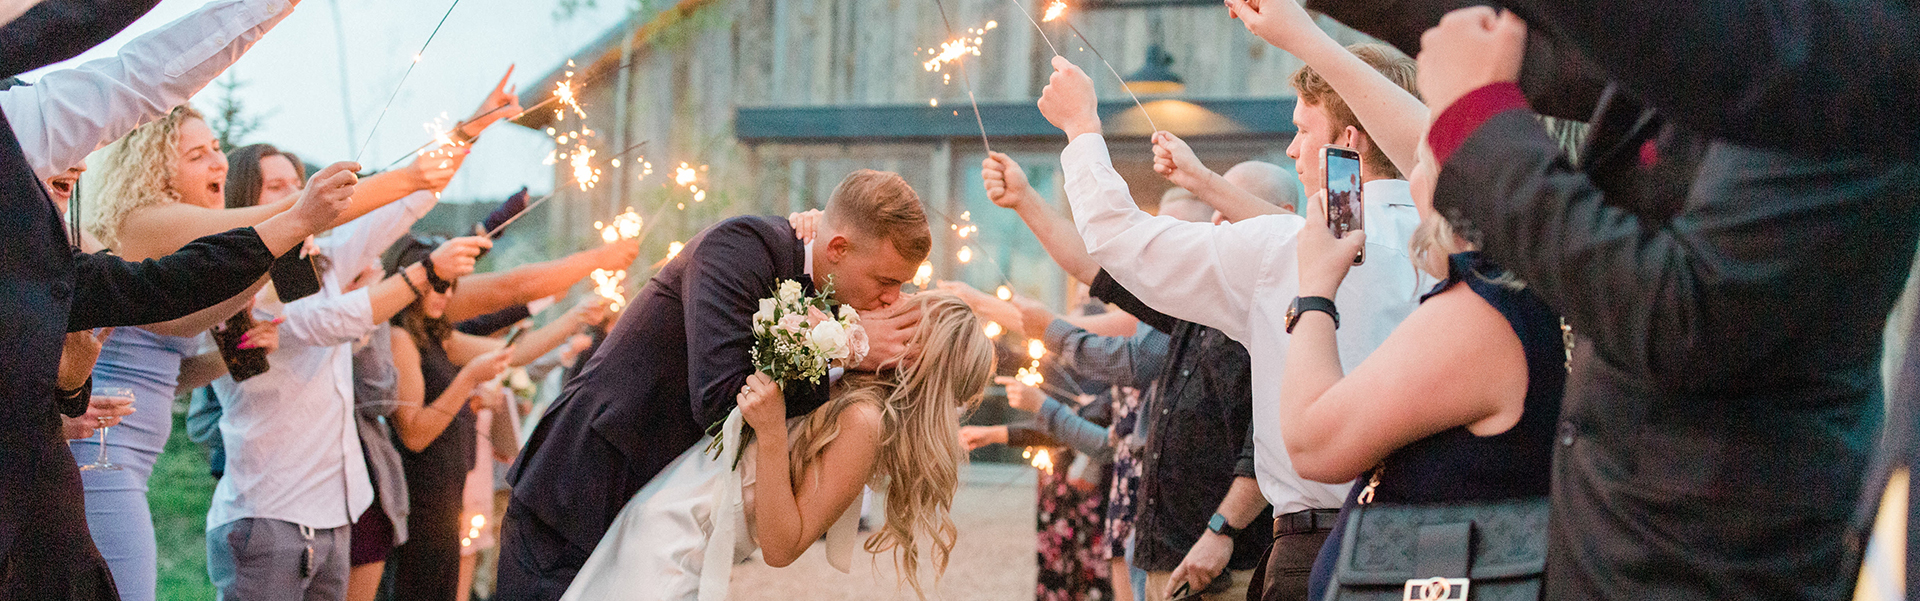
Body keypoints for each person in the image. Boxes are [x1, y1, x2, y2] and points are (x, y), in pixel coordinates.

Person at [1413, 6, 1920, 599]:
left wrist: (1475, 123)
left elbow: (1685, 318)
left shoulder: (1848, 46)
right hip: (1619, 540)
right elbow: (1590, 44)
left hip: (1713, 560)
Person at [1035, 44, 1428, 600]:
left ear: (1348, 142)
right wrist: (1202, 181)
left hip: (1318, 549)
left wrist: (1081, 126)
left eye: (1303, 130)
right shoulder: (1458, 246)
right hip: (1436, 543)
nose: (1292, 148)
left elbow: (1122, 238)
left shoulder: (1279, 251)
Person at [499, 169, 930, 600]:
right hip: (586, 479)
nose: (891, 297)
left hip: (655, 506)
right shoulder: (739, 248)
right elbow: (721, 399)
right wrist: (847, 349)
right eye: (886, 281)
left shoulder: (828, 293)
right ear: (837, 248)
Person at [984, 155, 1299, 601]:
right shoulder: (1199, 299)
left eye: (1227, 207)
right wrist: (1025, 200)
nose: (1215, 222)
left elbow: (1268, 441)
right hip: (1165, 557)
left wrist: (1221, 530)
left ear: (1282, 219)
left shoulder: (1282, 314)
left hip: (1225, 567)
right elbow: (1097, 268)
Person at [560, 291, 995, 600]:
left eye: (905, 311)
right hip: (653, 518)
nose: (891, 301)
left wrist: (770, 433)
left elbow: (782, 546)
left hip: (675, 549)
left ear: (914, 354)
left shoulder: (863, 420)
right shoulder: (843, 374)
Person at [1283, 141, 1564, 599]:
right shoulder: (1551, 291)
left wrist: (1315, 289)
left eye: (1418, 161)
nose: (1411, 178)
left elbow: (1312, 445)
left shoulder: (1486, 312)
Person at [383, 236, 611, 601]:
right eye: (437, 285)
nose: (445, 295)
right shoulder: (399, 338)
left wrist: (575, 318)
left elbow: (514, 354)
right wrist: (468, 379)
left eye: (450, 286)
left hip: (447, 492)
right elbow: (414, 434)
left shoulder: (437, 336)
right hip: (421, 495)